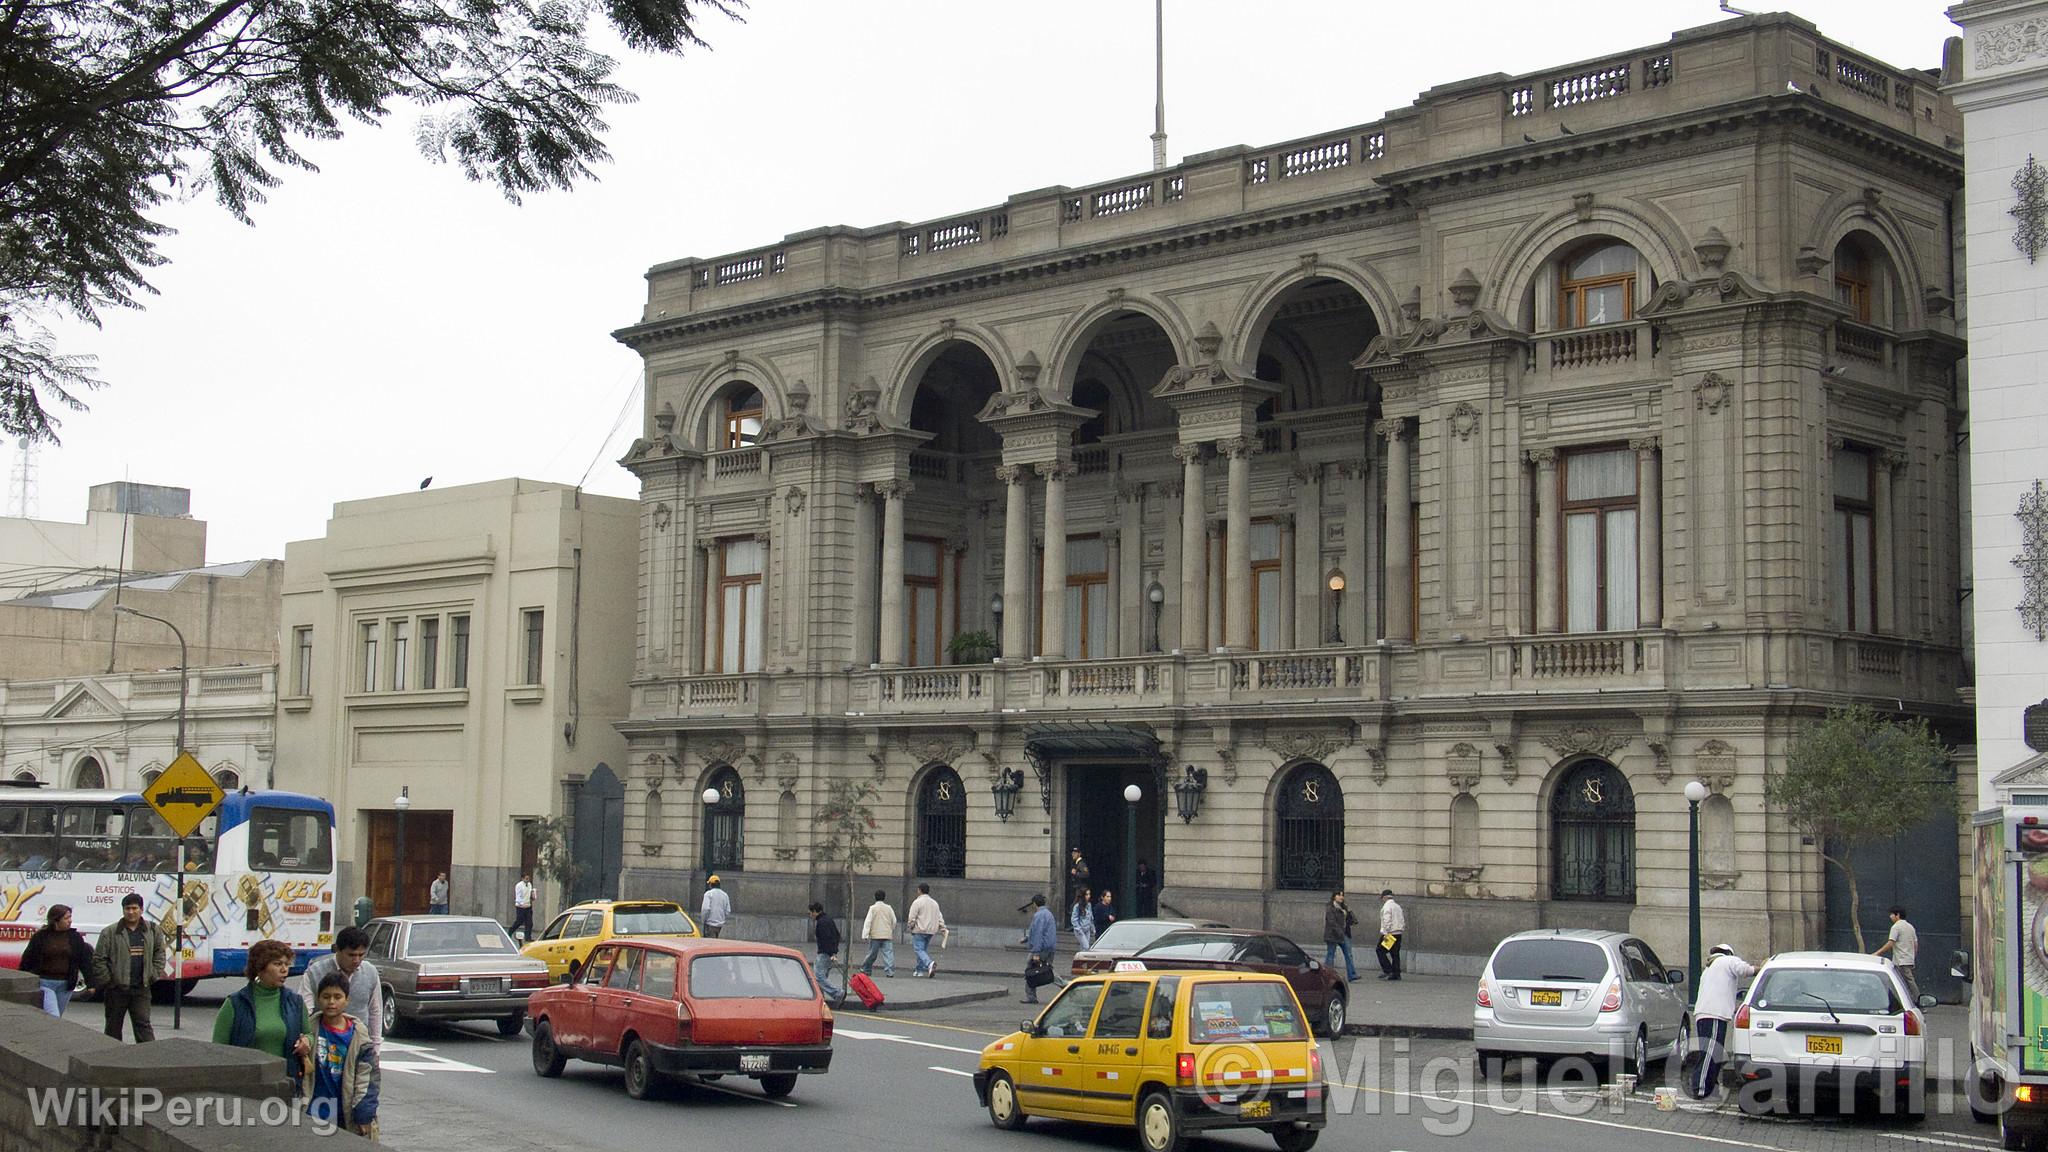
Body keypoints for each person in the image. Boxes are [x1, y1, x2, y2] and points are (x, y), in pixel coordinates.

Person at [212, 939, 311, 1097]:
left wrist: (307, 1042)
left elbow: (308, 1033)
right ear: (260, 968)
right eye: (278, 964)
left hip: (285, 1086)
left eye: (287, 964)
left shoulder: (295, 1002)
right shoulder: (235, 1004)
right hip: (246, 1088)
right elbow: (217, 1049)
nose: (285, 970)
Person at [306, 971, 381, 1139]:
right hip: (313, 1111)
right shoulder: (308, 1030)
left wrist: (364, 1115)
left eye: (337, 997)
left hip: (345, 1113)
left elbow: (367, 1080)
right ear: (318, 999)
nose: (331, 1002)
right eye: (326, 996)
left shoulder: (359, 1037)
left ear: (347, 1000)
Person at [91, 893, 168, 1042]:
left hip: (142, 989)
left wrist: (153, 974)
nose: (131, 912)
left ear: (141, 909)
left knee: (143, 1025)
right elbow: (99, 959)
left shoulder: (152, 930)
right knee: (113, 1027)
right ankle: (112, 1058)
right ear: (123, 910)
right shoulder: (110, 932)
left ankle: (148, 1058)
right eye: (127, 908)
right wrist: (109, 981)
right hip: (116, 990)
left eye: (134, 908)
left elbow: (160, 953)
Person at [1689, 943, 1756, 1099]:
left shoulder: (1710, 968)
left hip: (1705, 1014)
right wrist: (1763, 967)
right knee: (1709, 1052)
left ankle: (1709, 1086)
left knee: (1713, 1052)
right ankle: (1700, 1088)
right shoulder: (1727, 961)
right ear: (1729, 953)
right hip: (1714, 1014)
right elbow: (1745, 970)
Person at [300, 925, 383, 1049]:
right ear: (337, 950)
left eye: (361, 955)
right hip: (324, 1044)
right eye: (351, 955)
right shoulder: (314, 972)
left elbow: (375, 1011)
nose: (356, 960)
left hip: (358, 1044)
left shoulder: (370, 972)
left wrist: (375, 1048)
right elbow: (305, 1012)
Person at [23, 904, 90, 1018]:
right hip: (44, 982)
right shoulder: (41, 936)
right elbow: (28, 958)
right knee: (53, 1015)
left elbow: (84, 960)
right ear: (56, 920)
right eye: (66, 918)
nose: (70, 921)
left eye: (70, 917)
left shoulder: (75, 937)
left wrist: (91, 982)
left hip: (65, 984)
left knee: (57, 1018)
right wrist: (22, 978)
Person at [1875, 904, 1922, 1004]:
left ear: (1897, 915)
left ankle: (1919, 1001)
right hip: (1908, 959)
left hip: (1900, 960)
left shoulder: (1896, 927)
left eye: (1892, 914)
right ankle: (1912, 1001)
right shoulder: (1910, 927)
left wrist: (1877, 953)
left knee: (1906, 981)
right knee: (1906, 981)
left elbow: (1890, 943)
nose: (1890, 916)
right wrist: (1912, 956)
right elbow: (1915, 944)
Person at [1021, 893, 1057, 1005]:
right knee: (1048, 970)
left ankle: (1031, 996)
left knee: (1029, 971)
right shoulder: (1048, 914)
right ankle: (1066, 985)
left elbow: (1038, 933)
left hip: (1040, 949)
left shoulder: (1039, 915)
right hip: (1050, 948)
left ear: (1034, 904)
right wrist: (1027, 938)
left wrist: (1036, 952)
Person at [906, 882, 946, 978]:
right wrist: (943, 927)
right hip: (931, 930)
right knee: (922, 950)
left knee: (919, 950)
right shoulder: (934, 903)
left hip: (919, 929)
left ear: (919, 890)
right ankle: (919, 970)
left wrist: (911, 926)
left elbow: (912, 917)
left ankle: (929, 964)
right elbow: (939, 916)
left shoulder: (917, 902)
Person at [808, 902, 843, 1003]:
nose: (810, 916)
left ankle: (837, 993)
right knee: (823, 976)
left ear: (815, 911)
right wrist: (834, 952)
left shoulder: (821, 923)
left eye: (810, 913)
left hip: (824, 953)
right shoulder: (828, 919)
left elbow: (826, 939)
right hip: (830, 953)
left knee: (818, 976)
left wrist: (831, 952)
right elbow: (836, 935)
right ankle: (820, 997)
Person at [859, 889, 897, 978]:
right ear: (884, 897)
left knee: (872, 954)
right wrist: (891, 929)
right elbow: (894, 920)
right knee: (888, 954)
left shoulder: (873, 908)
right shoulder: (889, 908)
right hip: (887, 934)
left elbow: (868, 922)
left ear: (875, 897)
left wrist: (865, 934)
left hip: (875, 935)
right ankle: (890, 971)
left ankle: (866, 969)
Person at [1323, 891, 1359, 982]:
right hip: (1333, 934)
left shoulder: (1344, 907)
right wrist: (1340, 932)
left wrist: (1350, 912)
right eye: (1339, 895)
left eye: (1342, 895)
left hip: (1345, 934)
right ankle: (1328, 974)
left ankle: (1352, 974)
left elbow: (1351, 921)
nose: (1341, 897)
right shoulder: (1330, 908)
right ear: (1334, 897)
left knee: (1348, 954)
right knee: (1330, 954)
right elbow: (1331, 922)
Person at [1376, 888, 1405, 981]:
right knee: (1395, 954)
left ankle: (1388, 970)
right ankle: (1396, 973)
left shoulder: (1387, 907)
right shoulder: (1397, 906)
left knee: (1380, 950)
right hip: (1398, 933)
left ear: (1384, 897)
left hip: (1390, 934)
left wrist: (1385, 933)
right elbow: (1402, 920)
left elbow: (1387, 920)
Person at [1069, 886, 1096, 950]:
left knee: (1083, 948)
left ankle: (1081, 959)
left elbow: (1090, 918)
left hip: (1087, 929)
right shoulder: (1077, 906)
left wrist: (1093, 928)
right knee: (1086, 946)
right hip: (1080, 929)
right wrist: (1079, 929)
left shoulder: (1089, 905)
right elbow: (1074, 919)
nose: (1088, 896)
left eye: (1089, 894)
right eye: (1087, 894)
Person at [511, 873, 535, 941]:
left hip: (528, 906)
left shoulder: (529, 884)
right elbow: (518, 896)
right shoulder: (519, 885)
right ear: (523, 878)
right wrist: (521, 903)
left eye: (528, 879)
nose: (527, 880)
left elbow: (529, 894)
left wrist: (532, 896)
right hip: (520, 907)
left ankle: (528, 937)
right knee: (519, 921)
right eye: (526, 879)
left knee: (529, 923)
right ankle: (510, 931)